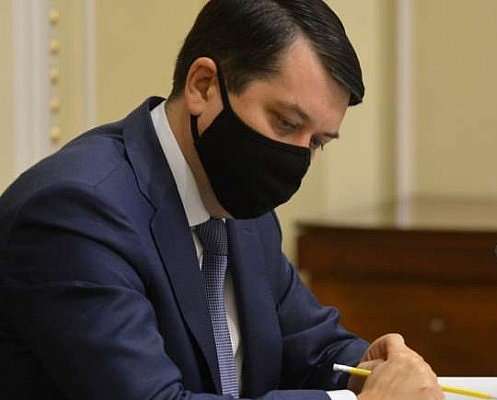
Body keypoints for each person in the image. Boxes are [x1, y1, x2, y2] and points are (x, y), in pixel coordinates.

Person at [0, 1, 443, 399]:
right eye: (286, 124)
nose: (296, 159)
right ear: (203, 86)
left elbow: (310, 344)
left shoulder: (240, 204)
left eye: (317, 142)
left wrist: (374, 368)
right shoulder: (76, 213)